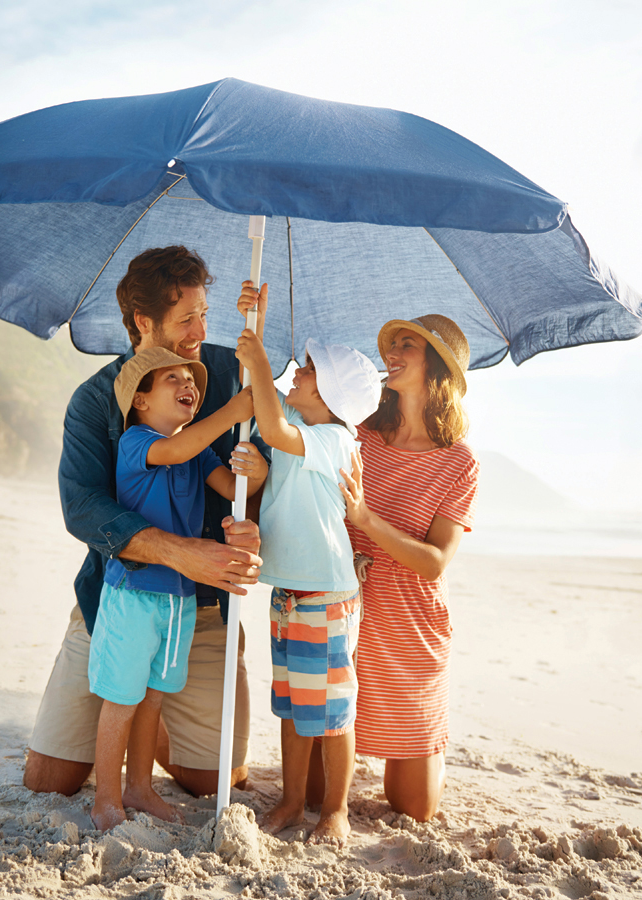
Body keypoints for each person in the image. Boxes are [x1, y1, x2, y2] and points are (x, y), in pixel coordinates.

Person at [25, 246, 269, 801]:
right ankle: (128, 705)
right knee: (48, 782)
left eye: (206, 314)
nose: (200, 331)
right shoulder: (95, 401)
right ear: (142, 322)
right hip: (120, 598)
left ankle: (150, 724)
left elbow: (257, 478)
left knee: (213, 782)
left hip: (200, 607)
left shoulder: (231, 374)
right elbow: (83, 507)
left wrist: (253, 518)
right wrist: (180, 552)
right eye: (187, 319)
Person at [89, 347, 268, 830]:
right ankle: (106, 796)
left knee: (154, 696)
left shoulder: (200, 450)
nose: (188, 382)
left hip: (180, 598)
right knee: (123, 698)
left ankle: (140, 788)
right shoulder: (135, 441)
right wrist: (231, 413)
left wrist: (256, 471)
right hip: (134, 595)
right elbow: (174, 451)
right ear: (141, 401)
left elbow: (235, 488)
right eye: (173, 378)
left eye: (191, 377)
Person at [234, 319, 381, 847]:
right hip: (290, 592)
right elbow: (262, 401)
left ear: (332, 394)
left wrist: (263, 362)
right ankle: (292, 801)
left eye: (311, 370)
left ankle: (334, 809)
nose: (299, 373)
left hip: (325, 593)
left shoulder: (336, 439)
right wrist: (258, 320)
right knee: (294, 706)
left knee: (333, 713)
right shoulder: (299, 417)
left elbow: (273, 428)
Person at [336, 314, 479, 822]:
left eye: (406, 345)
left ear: (436, 366)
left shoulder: (459, 462)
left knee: (413, 808)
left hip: (409, 624)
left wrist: (365, 519)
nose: (391, 353)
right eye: (391, 344)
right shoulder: (360, 433)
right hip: (343, 610)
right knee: (316, 793)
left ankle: (430, 745)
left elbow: (436, 562)